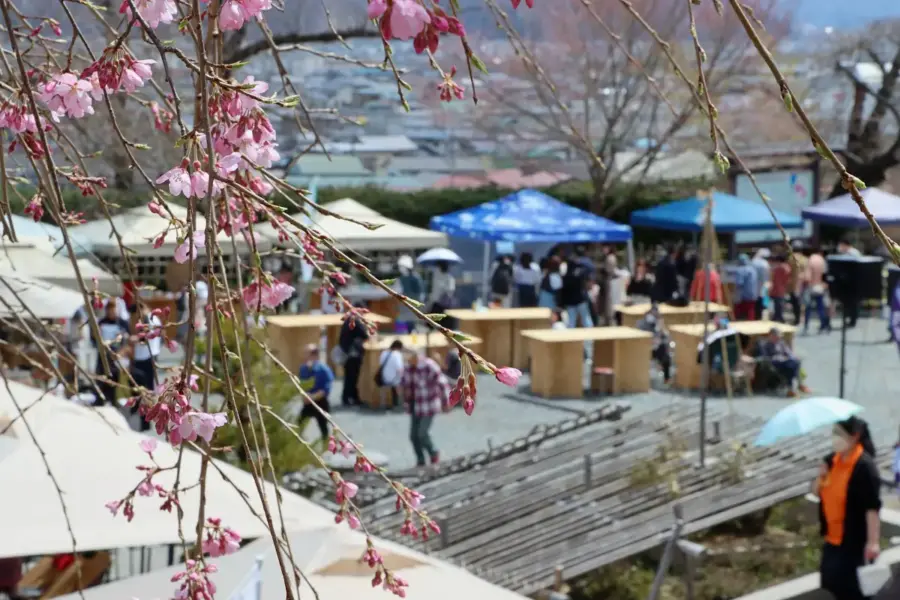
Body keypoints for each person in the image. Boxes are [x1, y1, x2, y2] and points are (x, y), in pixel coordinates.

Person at [813, 416, 881, 600]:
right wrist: (820, 477)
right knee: (830, 585)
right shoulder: (830, 461)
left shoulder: (864, 467)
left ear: (854, 437)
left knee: (853, 592)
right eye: (833, 432)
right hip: (832, 540)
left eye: (839, 434)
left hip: (854, 542)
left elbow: (872, 507)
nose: (835, 438)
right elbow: (816, 492)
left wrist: (873, 542)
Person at [400, 351, 451, 467]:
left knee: (422, 433)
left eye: (411, 358)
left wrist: (446, 402)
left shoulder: (429, 365)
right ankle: (420, 460)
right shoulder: (407, 368)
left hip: (428, 404)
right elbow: (404, 382)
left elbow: (442, 383)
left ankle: (433, 453)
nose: (409, 361)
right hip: (414, 404)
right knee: (413, 436)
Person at [92, 300, 130, 406]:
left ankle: (114, 401)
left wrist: (121, 353)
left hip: (117, 356)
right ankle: (99, 399)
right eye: (109, 309)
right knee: (101, 378)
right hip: (103, 356)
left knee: (114, 380)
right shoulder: (102, 322)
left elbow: (128, 342)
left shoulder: (123, 323)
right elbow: (94, 339)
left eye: (113, 309)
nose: (111, 312)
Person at [130, 304, 161, 432]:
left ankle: (145, 423)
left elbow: (149, 334)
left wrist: (135, 338)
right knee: (138, 389)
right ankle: (140, 417)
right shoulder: (144, 319)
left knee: (147, 390)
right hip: (140, 358)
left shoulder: (151, 318)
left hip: (149, 358)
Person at [560, 247, 595, 360]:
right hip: (579, 300)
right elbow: (590, 269)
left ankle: (572, 349)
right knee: (586, 323)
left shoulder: (567, 272)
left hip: (572, 301)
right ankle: (588, 349)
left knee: (572, 324)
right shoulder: (580, 268)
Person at [756, 327, 810, 396]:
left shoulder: (781, 343)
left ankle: (792, 388)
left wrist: (792, 357)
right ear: (771, 336)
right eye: (776, 336)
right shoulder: (765, 345)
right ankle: (798, 385)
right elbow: (765, 357)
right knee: (792, 366)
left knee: (795, 363)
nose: (778, 338)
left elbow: (788, 352)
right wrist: (778, 358)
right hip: (774, 363)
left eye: (779, 336)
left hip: (785, 362)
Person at [298, 344, 334, 441]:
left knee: (323, 426)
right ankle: (298, 444)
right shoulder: (303, 369)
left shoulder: (323, 369)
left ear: (314, 355)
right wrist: (304, 396)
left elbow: (326, 389)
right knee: (299, 424)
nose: (304, 356)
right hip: (307, 401)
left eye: (307, 353)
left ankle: (325, 447)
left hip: (320, 402)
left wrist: (312, 397)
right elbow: (300, 384)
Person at [337, 309, 369, 407]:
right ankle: (350, 399)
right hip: (353, 354)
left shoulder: (348, 321)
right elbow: (365, 335)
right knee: (352, 378)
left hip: (347, 354)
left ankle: (350, 398)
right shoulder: (355, 321)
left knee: (349, 377)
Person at [636, 304, 672, 383]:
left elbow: (667, 337)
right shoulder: (641, 323)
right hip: (644, 349)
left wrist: (661, 328)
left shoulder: (658, 324)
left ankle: (667, 379)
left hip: (656, 349)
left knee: (666, 354)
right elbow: (638, 338)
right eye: (652, 313)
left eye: (656, 314)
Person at [804, 246, 831, 334]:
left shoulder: (810, 260)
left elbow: (807, 276)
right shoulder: (822, 260)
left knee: (808, 307)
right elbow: (825, 275)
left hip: (811, 286)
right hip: (820, 287)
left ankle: (806, 325)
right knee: (821, 307)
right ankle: (823, 325)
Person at [838, 239, 861, 328]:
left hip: (854, 282)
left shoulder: (853, 253)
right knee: (849, 302)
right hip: (850, 282)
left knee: (853, 302)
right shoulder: (848, 253)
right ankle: (851, 319)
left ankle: (853, 320)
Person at [397, 256, 424, 332]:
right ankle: (401, 338)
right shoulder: (402, 278)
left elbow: (420, 293)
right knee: (401, 324)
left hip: (412, 305)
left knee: (412, 326)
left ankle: (413, 339)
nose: (400, 268)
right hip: (404, 305)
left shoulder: (415, 277)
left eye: (401, 266)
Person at [376, 339, 405, 409]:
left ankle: (385, 403)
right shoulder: (397, 354)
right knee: (402, 381)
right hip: (393, 380)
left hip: (383, 378)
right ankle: (400, 403)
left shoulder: (384, 353)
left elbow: (380, 364)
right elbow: (400, 369)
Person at [732, 254, 758, 321]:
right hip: (753, 294)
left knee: (739, 313)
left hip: (743, 295)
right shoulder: (752, 269)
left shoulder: (740, 270)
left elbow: (739, 283)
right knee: (751, 310)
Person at [769, 254, 792, 323]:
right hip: (783, 288)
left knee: (778, 304)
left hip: (778, 288)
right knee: (779, 304)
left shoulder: (779, 268)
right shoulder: (787, 267)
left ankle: (779, 317)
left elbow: (775, 279)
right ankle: (778, 317)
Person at [751, 249, 771, 319]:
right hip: (762, 284)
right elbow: (767, 275)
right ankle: (759, 316)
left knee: (756, 301)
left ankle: (756, 316)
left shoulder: (753, 262)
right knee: (763, 300)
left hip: (754, 285)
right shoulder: (765, 263)